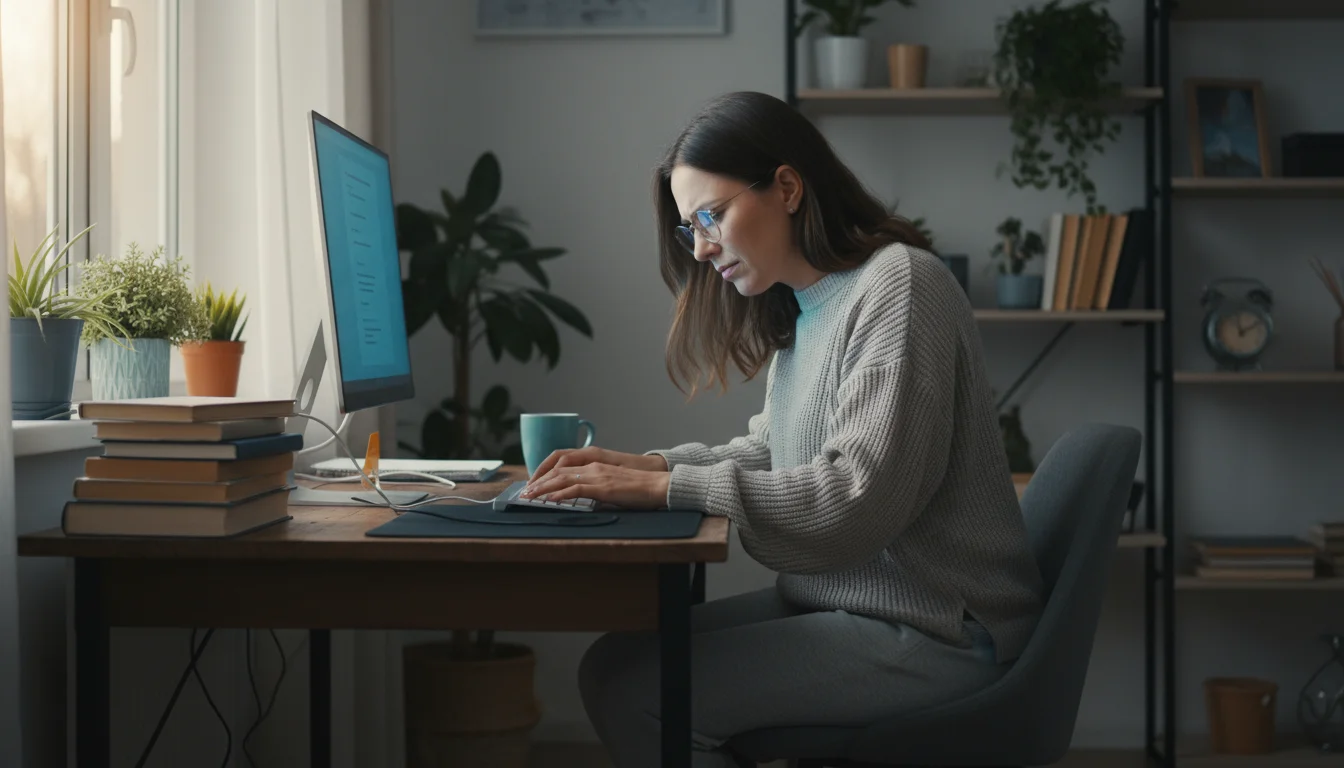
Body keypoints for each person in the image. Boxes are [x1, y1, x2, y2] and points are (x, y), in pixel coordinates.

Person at [521, 90, 1046, 767]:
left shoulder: (899, 285)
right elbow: (771, 451)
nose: (702, 247)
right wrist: (646, 468)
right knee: (609, 668)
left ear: (788, 187)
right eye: (691, 229)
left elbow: (854, 497)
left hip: (938, 628)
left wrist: (670, 490)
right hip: (851, 605)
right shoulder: (807, 308)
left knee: (636, 694)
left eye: (711, 215)